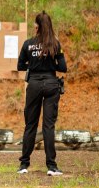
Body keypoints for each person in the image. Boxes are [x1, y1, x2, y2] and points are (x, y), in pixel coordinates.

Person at [16, 11, 67, 176]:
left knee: (30, 125)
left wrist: (33, 64)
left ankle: (24, 165)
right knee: (48, 126)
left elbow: (20, 66)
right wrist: (51, 63)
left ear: (37, 27)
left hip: (34, 84)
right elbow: (63, 67)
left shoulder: (28, 44)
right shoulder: (56, 44)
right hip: (52, 84)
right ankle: (52, 166)